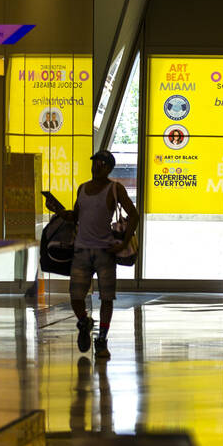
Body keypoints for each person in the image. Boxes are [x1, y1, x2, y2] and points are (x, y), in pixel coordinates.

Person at [67, 150, 138, 359]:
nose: (96, 166)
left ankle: (101, 340)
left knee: (107, 298)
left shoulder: (115, 189)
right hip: (81, 249)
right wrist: (59, 211)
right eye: (95, 163)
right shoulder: (82, 188)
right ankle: (84, 322)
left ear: (108, 168)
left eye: (100, 164)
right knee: (75, 296)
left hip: (105, 252)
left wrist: (124, 242)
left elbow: (133, 215)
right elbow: (76, 216)